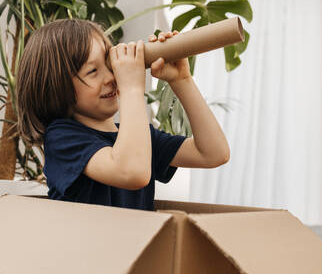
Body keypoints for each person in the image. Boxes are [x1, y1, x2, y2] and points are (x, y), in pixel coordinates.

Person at [16, 19, 230, 211]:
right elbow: (131, 171)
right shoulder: (62, 138)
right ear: (56, 87)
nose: (111, 77)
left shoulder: (139, 139)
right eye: (93, 71)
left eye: (110, 65)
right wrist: (131, 88)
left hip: (133, 253)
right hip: (85, 254)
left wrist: (182, 81)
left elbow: (213, 153)